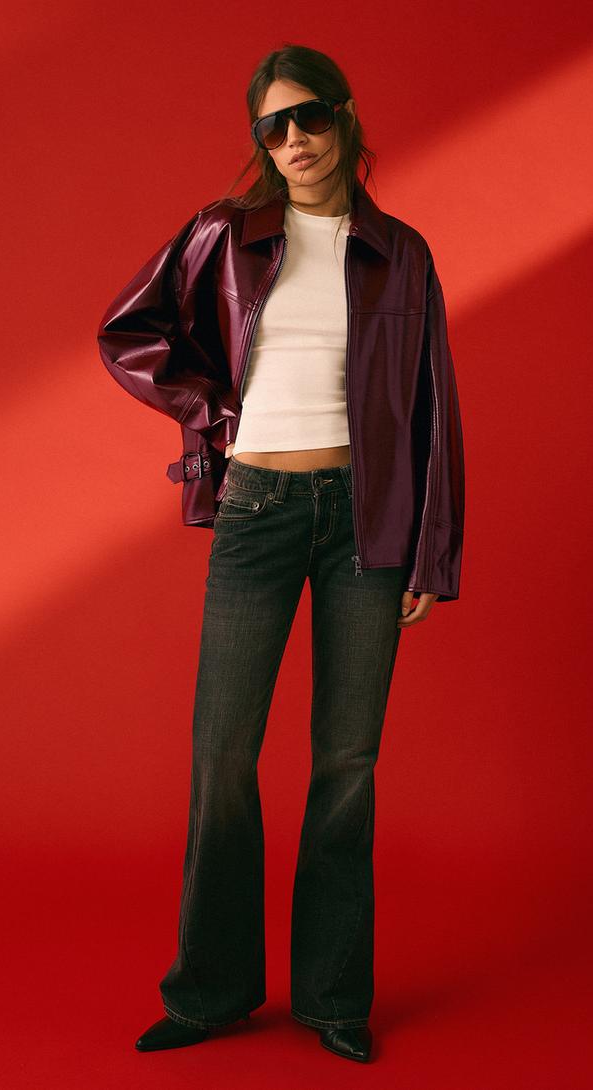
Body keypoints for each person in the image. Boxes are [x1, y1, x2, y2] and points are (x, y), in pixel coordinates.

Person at [97, 45, 465, 1064]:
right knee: (223, 754)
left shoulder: (401, 251)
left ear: (344, 118)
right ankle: (211, 991)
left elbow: (432, 406)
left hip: (367, 523)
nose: (292, 140)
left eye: (308, 118)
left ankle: (334, 996)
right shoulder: (225, 234)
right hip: (256, 508)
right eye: (272, 127)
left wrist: (430, 552)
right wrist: (213, 410)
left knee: (347, 761)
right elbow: (127, 332)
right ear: (260, 142)